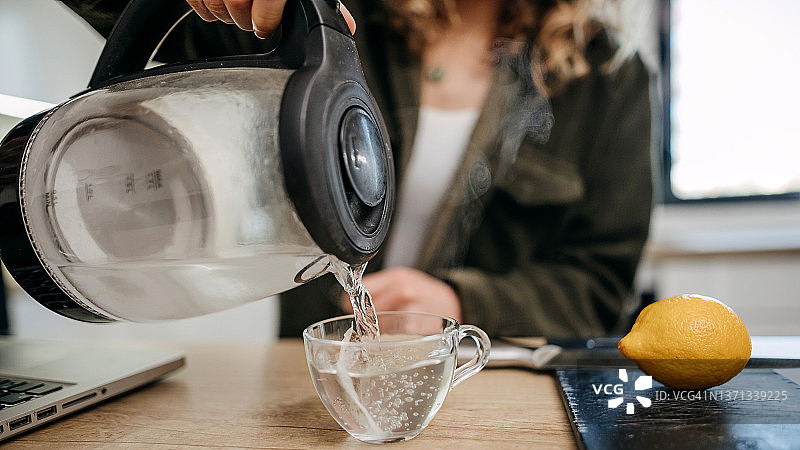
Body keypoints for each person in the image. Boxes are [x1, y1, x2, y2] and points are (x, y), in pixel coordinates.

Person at [61, 0, 654, 338]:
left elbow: (599, 286)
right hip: (314, 380)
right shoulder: (338, 16)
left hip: (495, 392)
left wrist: (462, 302)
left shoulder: (609, 79)